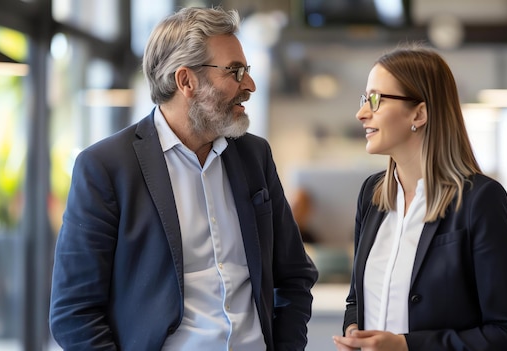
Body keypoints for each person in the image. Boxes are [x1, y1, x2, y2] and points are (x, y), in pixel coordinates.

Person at [49, 7, 318, 351]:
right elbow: (74, 312)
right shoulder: (105, 167)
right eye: (235, 72)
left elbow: (295, 275)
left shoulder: (255, 156)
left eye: (246, 71)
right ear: (186, 80)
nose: (249, 85)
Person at [332, 44, 507, 351]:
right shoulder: (372, 196)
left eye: (375, 99)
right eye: (364, 99)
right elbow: (356, 300)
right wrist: (354, 330)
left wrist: (407, 346)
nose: (361, 113)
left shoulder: (480, 201)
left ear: (420, 113)